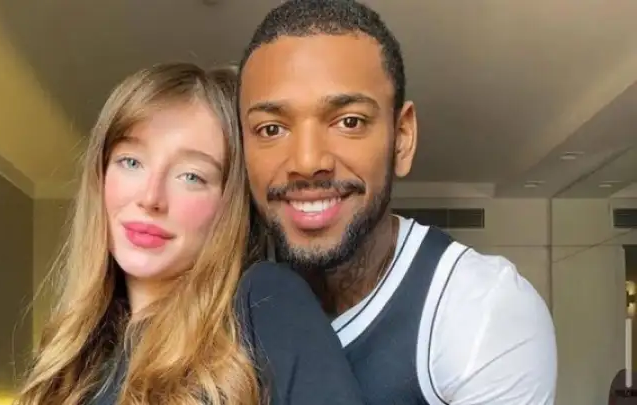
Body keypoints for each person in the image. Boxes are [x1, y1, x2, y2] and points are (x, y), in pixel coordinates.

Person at [238, 1, 558, 404]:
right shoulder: (222, 297)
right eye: (271, 129)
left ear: (402, 139)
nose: (306, 162)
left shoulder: (481, 311)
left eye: (349, 122)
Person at [14, 63, 365, 405]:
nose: (151, 198)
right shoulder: (69, 356)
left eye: (191, 176)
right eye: (131, 162)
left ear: (229, 203)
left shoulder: (262, 302)